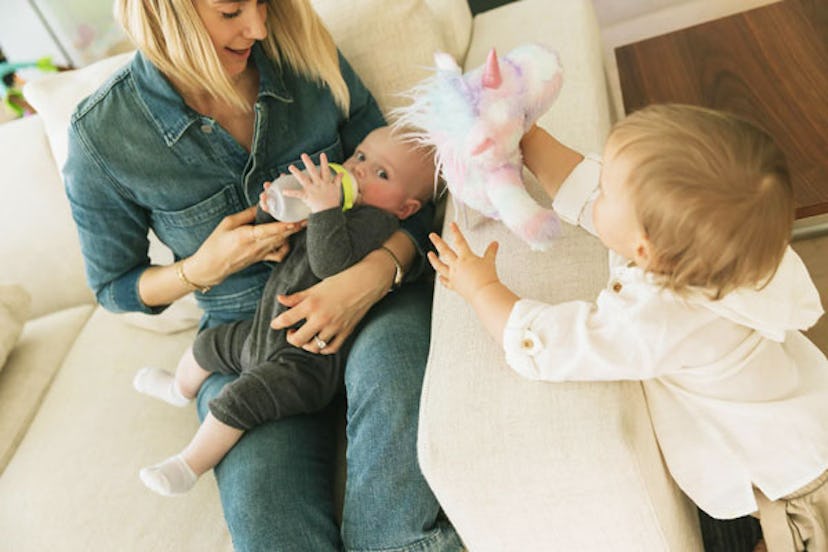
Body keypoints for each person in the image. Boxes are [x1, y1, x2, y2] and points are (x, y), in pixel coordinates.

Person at [63, 1, 462, 550]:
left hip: (372, 299)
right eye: (231, 11)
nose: (258, 27)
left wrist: (371, 275)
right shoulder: (103, 137)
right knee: (268, 520)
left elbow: (416, 194)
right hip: (247, 332)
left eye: (264, 2)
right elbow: (114, 287)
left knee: (394, 390)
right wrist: (201, 269)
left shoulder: (302, 55)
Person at [428, 104, 828, 551]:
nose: (596, 185)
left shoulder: (661, 316)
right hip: (809, 427)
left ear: (643, 247)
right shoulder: (720, 252)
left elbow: (553, 345)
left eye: (606, 191)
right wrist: (527, 135)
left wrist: (482, 287)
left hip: (797, 486)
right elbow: (585, 187)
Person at [134, 126, 436, 496]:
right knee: (207, 344)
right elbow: (288, 238)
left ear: (406, 207)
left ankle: (188, 466)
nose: (359, 170)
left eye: (381, 173)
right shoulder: (337, 207)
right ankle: (179, 389)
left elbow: (330, 263)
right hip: (263, 331)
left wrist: (324, 209)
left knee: (239, 398)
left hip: (302, 362)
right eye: (360, 156)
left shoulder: (377, 222)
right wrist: (270, 210)